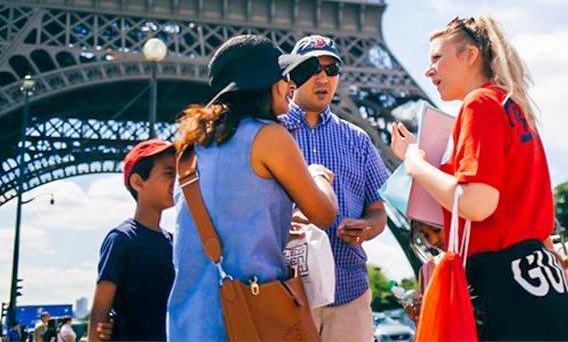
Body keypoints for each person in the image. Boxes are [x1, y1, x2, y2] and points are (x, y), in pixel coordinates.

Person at [391, 15, 568, 341]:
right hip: (543, 280)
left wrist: (415, 163)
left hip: (501, 284)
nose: (429, 70)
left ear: (469, 56)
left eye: (437, 58)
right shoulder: (514, 106)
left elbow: (477, 203)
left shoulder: (478, 104)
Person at [167, 35, 338, 341]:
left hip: (190, 325)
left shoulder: (189, 152)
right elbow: (324, 214)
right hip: (252, 318)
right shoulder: (270, 137)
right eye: (284, 78)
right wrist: (319, 178)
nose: (291, 86)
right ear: (264, 83)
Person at [282, 34, 389, 342]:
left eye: (331, 70)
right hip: (288, 290)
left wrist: (367, 227)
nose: (322, 77)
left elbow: (378, 210)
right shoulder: (270, 133)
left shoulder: (358, 140)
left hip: (349, 291)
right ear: (291, 77)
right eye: (312, 68)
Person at [89, 139, 177, 341]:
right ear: (138, 182)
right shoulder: (121, 239)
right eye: (169, 173)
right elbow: (100, 313)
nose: (177, 181)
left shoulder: (173, 241)